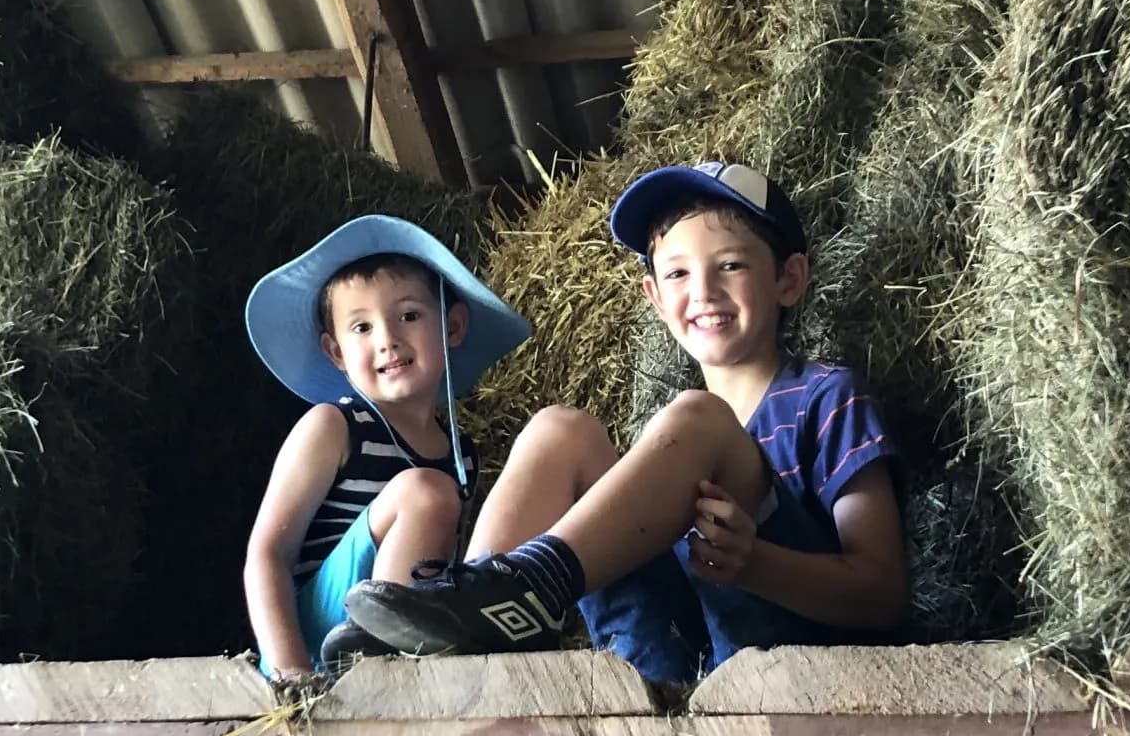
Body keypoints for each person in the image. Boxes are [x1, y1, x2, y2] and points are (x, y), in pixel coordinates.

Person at [344, 161, 906, 677]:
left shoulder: (826, 398)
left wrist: (756, 564)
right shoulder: (670, 443)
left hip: (796, 665)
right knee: (561, 430)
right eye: (678, 274)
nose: (703, 291)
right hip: (675, 668)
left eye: (730, 265)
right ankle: (465, 622)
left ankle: (532, 585)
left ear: (789, 278)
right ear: (656, 298)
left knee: (700, 421)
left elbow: (883, 593)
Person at [243, 216, 530, 680]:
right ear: (336, 353)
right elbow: (268, 554)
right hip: (317, 648)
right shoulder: (333, 427)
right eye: (361, 328)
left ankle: (402, 665)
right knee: (427, 494)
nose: (388, 339)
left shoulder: (462, 454)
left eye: (410, 316)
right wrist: (290, 672)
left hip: (413, 645)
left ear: (453, 327)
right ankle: (367, 657)